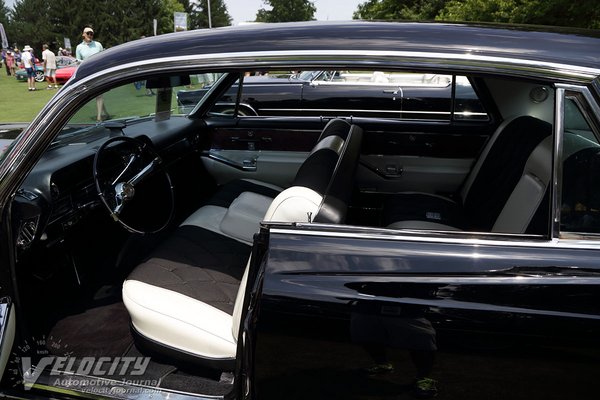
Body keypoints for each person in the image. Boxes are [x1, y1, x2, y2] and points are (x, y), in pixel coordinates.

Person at [76, 26, 109, 121]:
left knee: (99, 94)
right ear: (83, 34)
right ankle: (105, 113)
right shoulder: (79, 47)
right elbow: (78, 62)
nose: (90, 35)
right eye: (88, 33)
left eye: (91, 34)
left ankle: (99, 117)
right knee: (95, 94)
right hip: (87, 74)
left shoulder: (98, 44)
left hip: (99, 72)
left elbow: (104, 58)